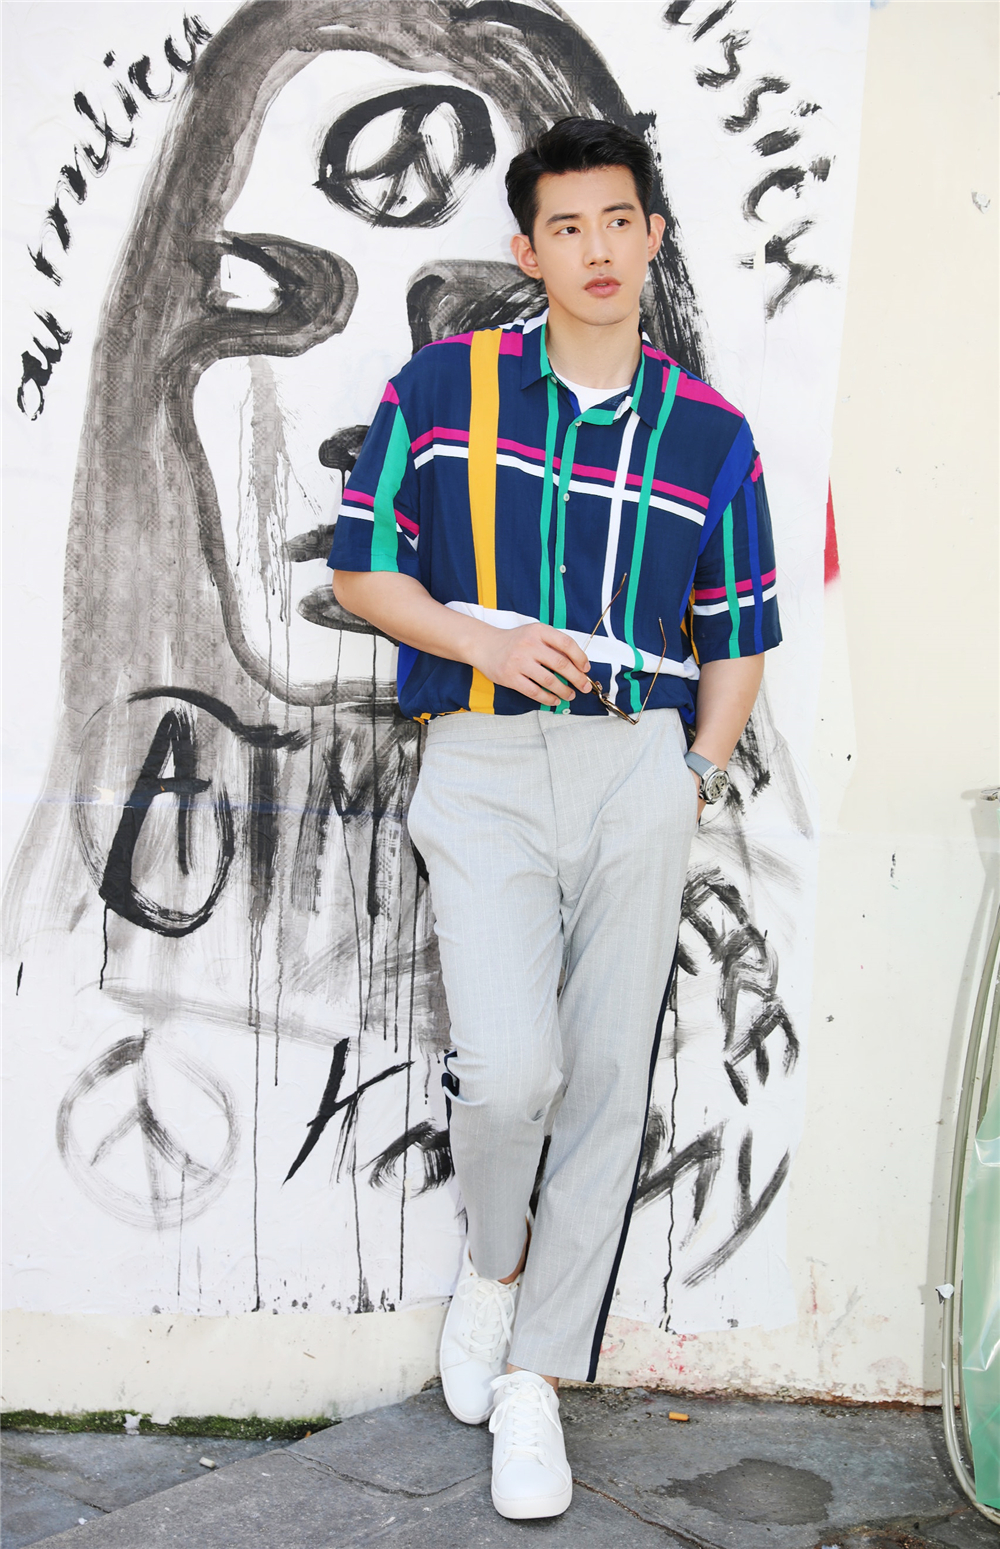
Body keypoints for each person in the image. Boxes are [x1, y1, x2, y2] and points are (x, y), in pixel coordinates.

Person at [331, 115, 779, 1523]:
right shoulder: (443, 387)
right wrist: (482, 637)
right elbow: (361, 566)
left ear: (653, 237)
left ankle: (535, 1378)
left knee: (603, 1078)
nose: (596, 249)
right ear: (527, 251)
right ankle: (497, 1262)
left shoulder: (710, 432)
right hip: (478, 763)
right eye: (566, 227)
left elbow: (739, 629)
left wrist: (693, 773)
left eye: (618, 222)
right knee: (512, 1071)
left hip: (638, 766)